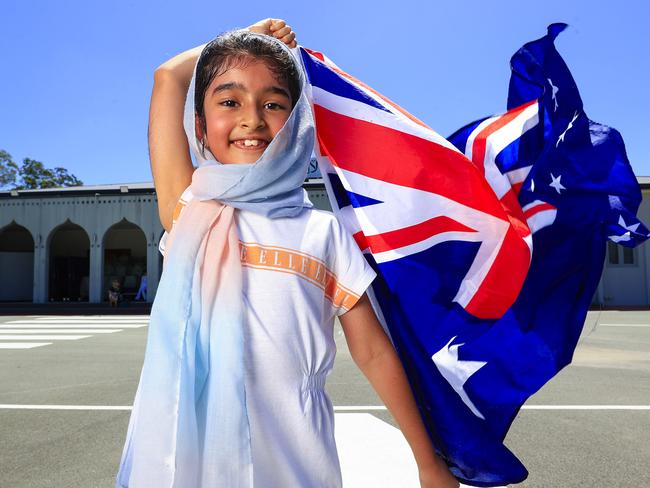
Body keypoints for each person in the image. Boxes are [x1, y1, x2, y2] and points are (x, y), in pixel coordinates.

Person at [116, 19, 458, 488]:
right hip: (193, 465)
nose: (252, 119)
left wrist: (426, 461)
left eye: (273, 104)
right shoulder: (190, 210)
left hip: (297, 461)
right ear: (199, 124)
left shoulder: (322, 233)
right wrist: (248, 35)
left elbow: (375, 353)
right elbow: (168, 79)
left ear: (297, 125)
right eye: (229, 101)